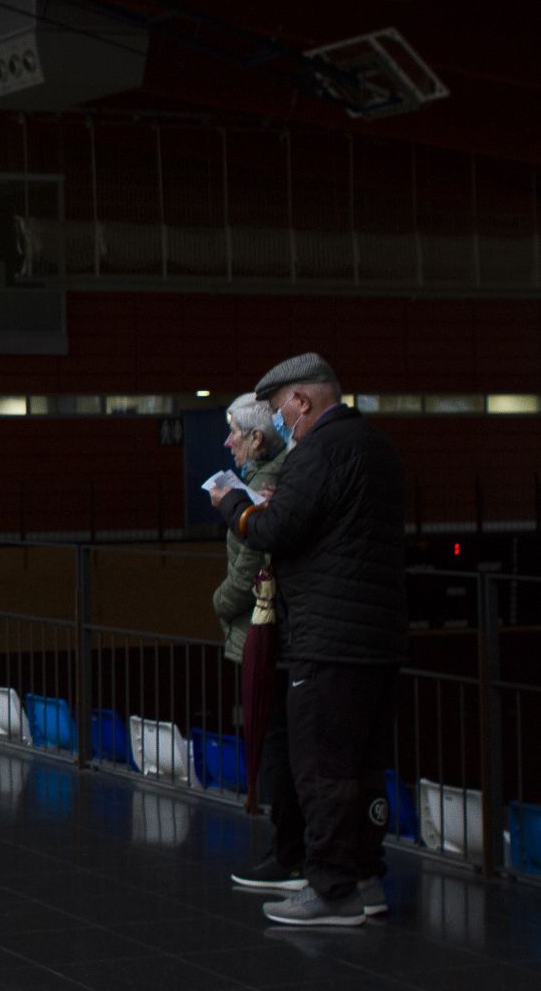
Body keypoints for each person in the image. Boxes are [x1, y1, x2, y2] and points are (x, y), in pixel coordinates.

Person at [209, 353, 406, 927]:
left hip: (326, 638)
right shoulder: (377, 447)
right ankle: (366, 879)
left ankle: (330, 887)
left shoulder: (319, 451)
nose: (276, 423)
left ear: (301, 401)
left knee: (321, 768)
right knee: (364, 767)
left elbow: (275, 531)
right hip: (379, 636)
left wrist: (235, 506)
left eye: (277, 411)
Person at [213, 394, 301, 892]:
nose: (228, 442)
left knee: (275, 743)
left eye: (234, 433)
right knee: (279, 741)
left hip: (266, 629)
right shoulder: (275, 475)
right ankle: (290, 852)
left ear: (257, 438)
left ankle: (286, 855)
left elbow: (250, 560)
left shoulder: (266, 483)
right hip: (279, 626)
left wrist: (220, 602)